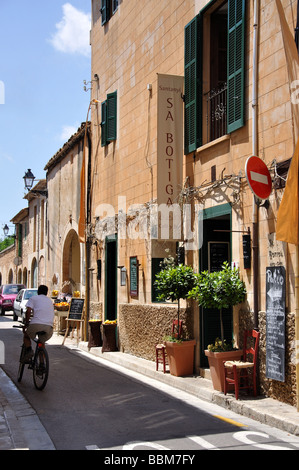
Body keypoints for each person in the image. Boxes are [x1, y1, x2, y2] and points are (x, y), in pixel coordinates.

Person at [22, 285, 54, 362]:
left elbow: (28, 311)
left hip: (35, 324)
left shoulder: (33, 298)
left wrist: (26, 323)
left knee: (26, 336)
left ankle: (29, 350)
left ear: (38, 292)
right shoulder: (50, 301)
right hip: (49, 327)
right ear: (47, 293)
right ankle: (42, 364)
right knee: (41, 343)